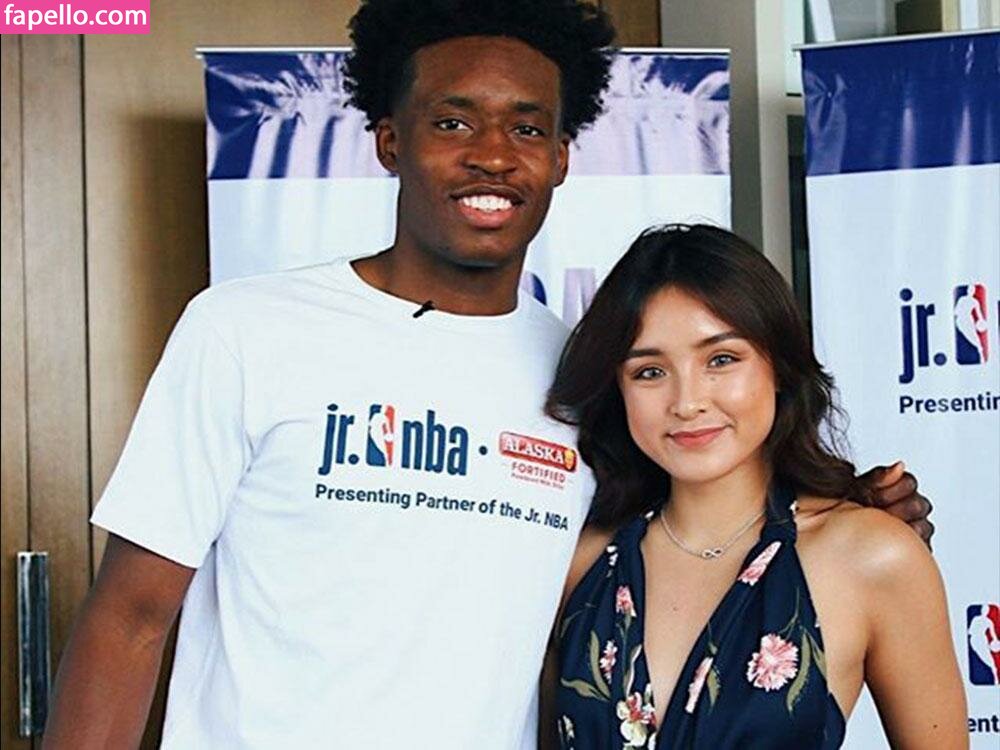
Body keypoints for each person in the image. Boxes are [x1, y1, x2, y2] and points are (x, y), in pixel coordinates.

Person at [43, 2, 932, 747]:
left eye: (528, 128)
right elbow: (130, 619)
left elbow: (693, 510)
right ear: (390, 141)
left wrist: (846, 516)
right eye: (453, 121)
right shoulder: (246, 329)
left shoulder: (586, 374)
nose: (494, 155)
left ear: (561, 158)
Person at [541, 225, 965, 749]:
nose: (687, 402)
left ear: (779, 366)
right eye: (649, 371)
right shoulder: (581, 562)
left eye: (721, 359)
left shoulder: (873, 556)